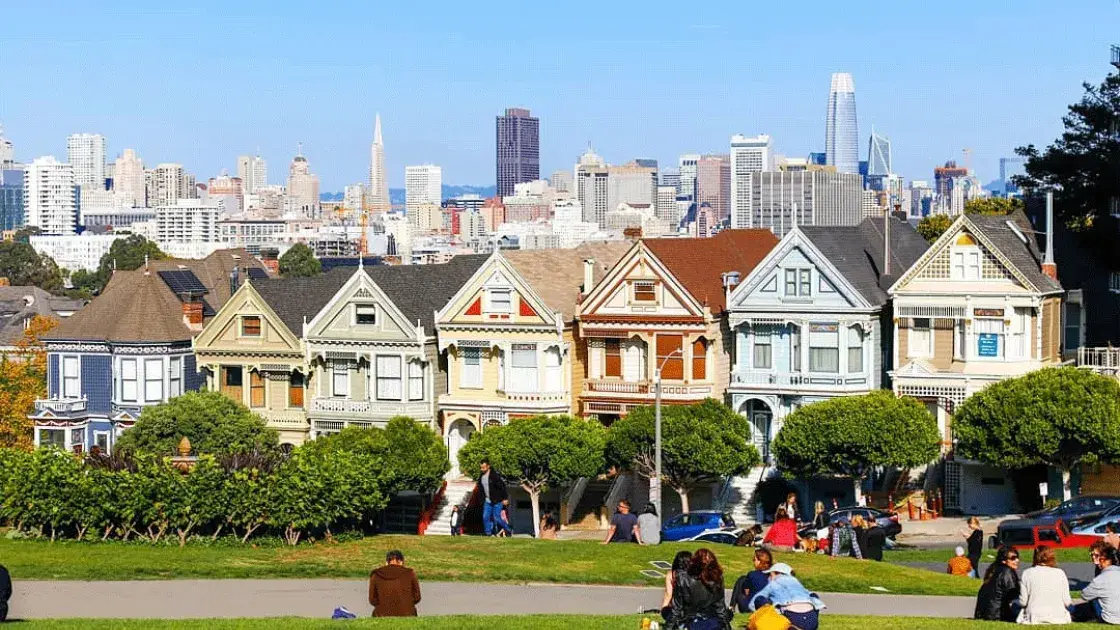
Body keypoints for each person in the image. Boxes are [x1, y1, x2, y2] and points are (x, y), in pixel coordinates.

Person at [664, 548, 732, 630]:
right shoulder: (717, 578)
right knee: (726, 614)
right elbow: (721, 609)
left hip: (690, 622)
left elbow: (676, 610)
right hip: (710, 620)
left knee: (667, 612)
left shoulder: (682, 578)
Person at [748, 562, 826, 630]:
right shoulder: (797, 584)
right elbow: (813, 597)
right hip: (812, 620)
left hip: (793, 618)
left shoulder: (773, 584)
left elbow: (753, 603)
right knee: (813, 596)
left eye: (770, 575)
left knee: (760, 599)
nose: (768, 578)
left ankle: (787, 625)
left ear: (778, 574)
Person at [1017, 545, 1071, 625]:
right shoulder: (1060, 573)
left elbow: (1023, 602)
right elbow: (1067, 601)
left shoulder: (1027, 573)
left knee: (1014, 606)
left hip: (1034, 616)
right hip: (1057, 616)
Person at [1072, 543, 1120, 624]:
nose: (1093, 557)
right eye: (1091, 554)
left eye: (1096, 555)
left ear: (1104, 557)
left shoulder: (1100, 578)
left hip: (1110, 618)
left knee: (1092, 599)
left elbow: (1085, 595)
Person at [974, 546, 1021, 622]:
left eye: (1017, 557)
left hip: (985, 614)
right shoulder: (1007, 572)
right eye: (1013, 558)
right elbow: (1013, 595)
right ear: (1003, 561)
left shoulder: (994, 570)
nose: (1017, 560)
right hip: (997, 615)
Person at [368, 550, 421, 618]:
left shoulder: (376, 574)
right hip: (407, 614)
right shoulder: (410, 573)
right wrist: (406, 603)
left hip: (382, 615)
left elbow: (372, 599)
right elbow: (417, 597)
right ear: (401, 561)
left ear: (387, 562)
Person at [730, 548, 773, 613]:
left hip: (751, 607)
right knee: (743, 579)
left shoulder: (752, 574)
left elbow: (747, 592)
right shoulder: (773, 575)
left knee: (741, 580)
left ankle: (732, 606)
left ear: (760, 561)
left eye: (754, 560)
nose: (753, 562)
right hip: (767, 605)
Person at [476, 459, 511, 537]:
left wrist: (505, 498)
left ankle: (508, 529)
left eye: (484, 467)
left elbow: (502, 487)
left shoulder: (495, 476)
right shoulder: (481, 477)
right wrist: (482, 500)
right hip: (487, 501)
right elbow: (481, 490)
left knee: (497, 518)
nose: (482, 469)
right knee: (485, 517)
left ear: (488, 466)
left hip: (497, 501)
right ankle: (488, 533)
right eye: (481, 468)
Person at [660, 550, 693, 619]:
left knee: (667, 611)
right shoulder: (694, 575)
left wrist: (663, 609)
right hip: (693, 609)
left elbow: (668, 594)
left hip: (677, 609)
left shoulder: (671, 575)